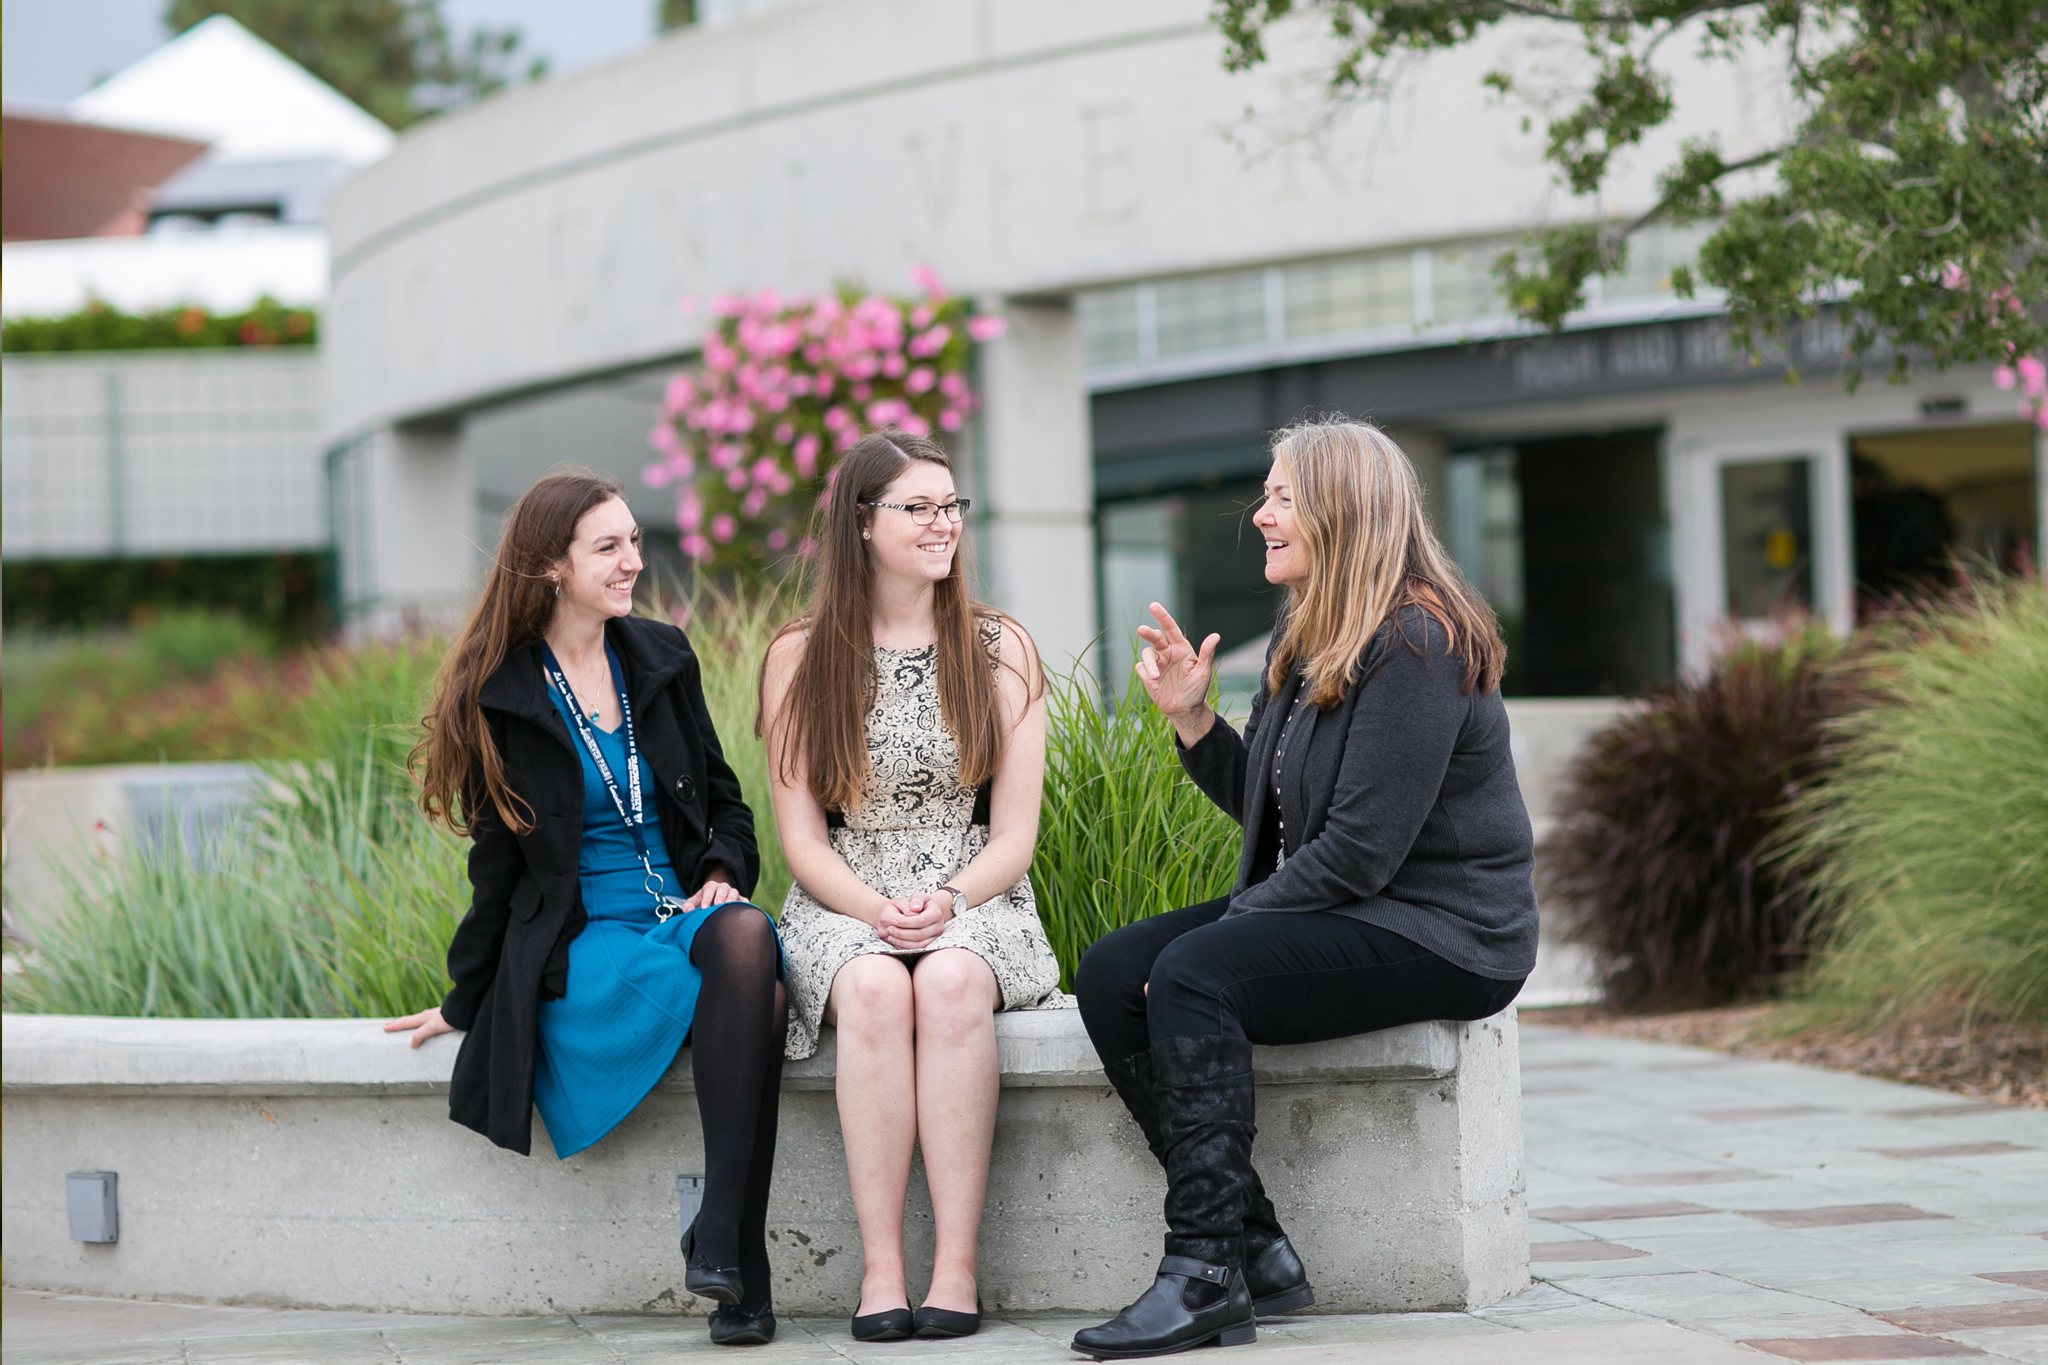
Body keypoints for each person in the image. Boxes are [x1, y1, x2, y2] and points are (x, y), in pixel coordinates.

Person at [1071, 417, 1538, 1360]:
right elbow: (1281, 813)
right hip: (1360, 903)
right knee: (1115, 967)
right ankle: (1257, 1245)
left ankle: (1202, 1272)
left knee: (1191, 970)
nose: (1261, 514)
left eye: (1281, 495)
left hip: (1446, 929)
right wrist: (1197, 723)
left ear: (1340, 509)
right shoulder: (1316, 625)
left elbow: (1359, 852)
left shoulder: (1417, 638)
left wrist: (1213, 943)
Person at [384, 470, 787, 1348]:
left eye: (636, 540)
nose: (634, 561)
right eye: (609, 546)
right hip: (586, 935)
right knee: (764, 996)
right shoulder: (502, 695)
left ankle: (721, 1240)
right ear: (551, 567)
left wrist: (722, 869)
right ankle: (740, 1271)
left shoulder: (660, 655)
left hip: (680, 906)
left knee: (748, 933)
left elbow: (727, 804)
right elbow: (496, 875)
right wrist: (465, 998)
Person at [757, 429, 1064, 1342]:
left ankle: (956, 1268)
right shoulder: (799, 655)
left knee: (955, 979)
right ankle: (882, 1267)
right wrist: (873, 908)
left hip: (977, 890)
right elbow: (803, 839)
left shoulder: (1000, 645)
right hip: (844, 894)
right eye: (918, 507)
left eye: (951, 505)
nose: (944, 524)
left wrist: (952, 900)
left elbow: (1014, 832)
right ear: (862, 523)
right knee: (877, 990)